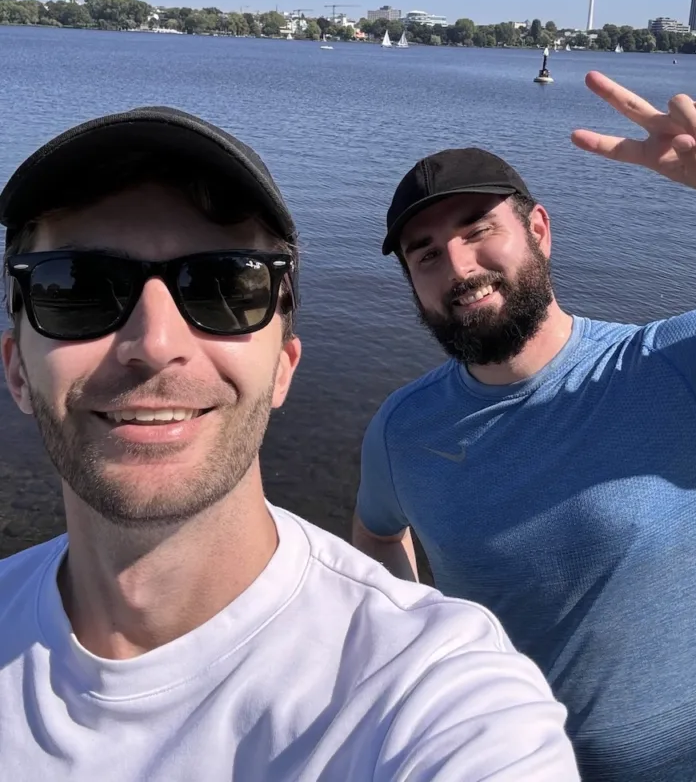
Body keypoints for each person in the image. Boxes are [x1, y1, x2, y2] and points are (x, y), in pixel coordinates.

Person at [0, 107, 580, 781]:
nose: (154, 345)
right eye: (77, 288)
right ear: (15, 366)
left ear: (284, 366)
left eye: (224, 286)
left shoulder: (424, 687)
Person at [354, 71, 696, 782]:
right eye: (426, 255)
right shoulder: (403, 428)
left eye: (479, 231)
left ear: (539, 231)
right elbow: (378, 535)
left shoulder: (688, 369)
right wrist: (418, 646)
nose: (458, 266)